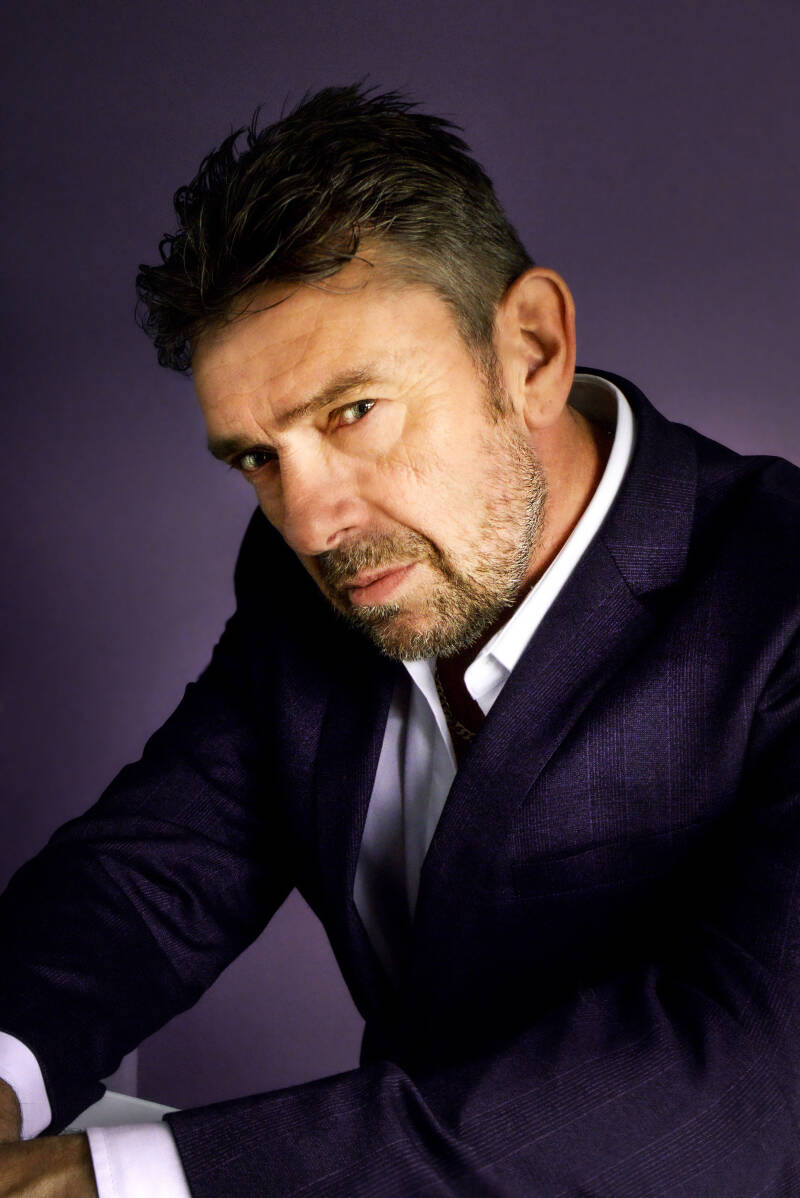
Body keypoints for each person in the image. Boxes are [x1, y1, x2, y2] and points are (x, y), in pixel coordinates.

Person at [0, 83, 798, 1198]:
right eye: (257, 457)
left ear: (530, 350)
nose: (310, 522)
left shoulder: (778, 594)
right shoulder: (309, 580)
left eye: (352, 412)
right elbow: (154, 877)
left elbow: (739, 1088)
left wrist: (118, 1182)